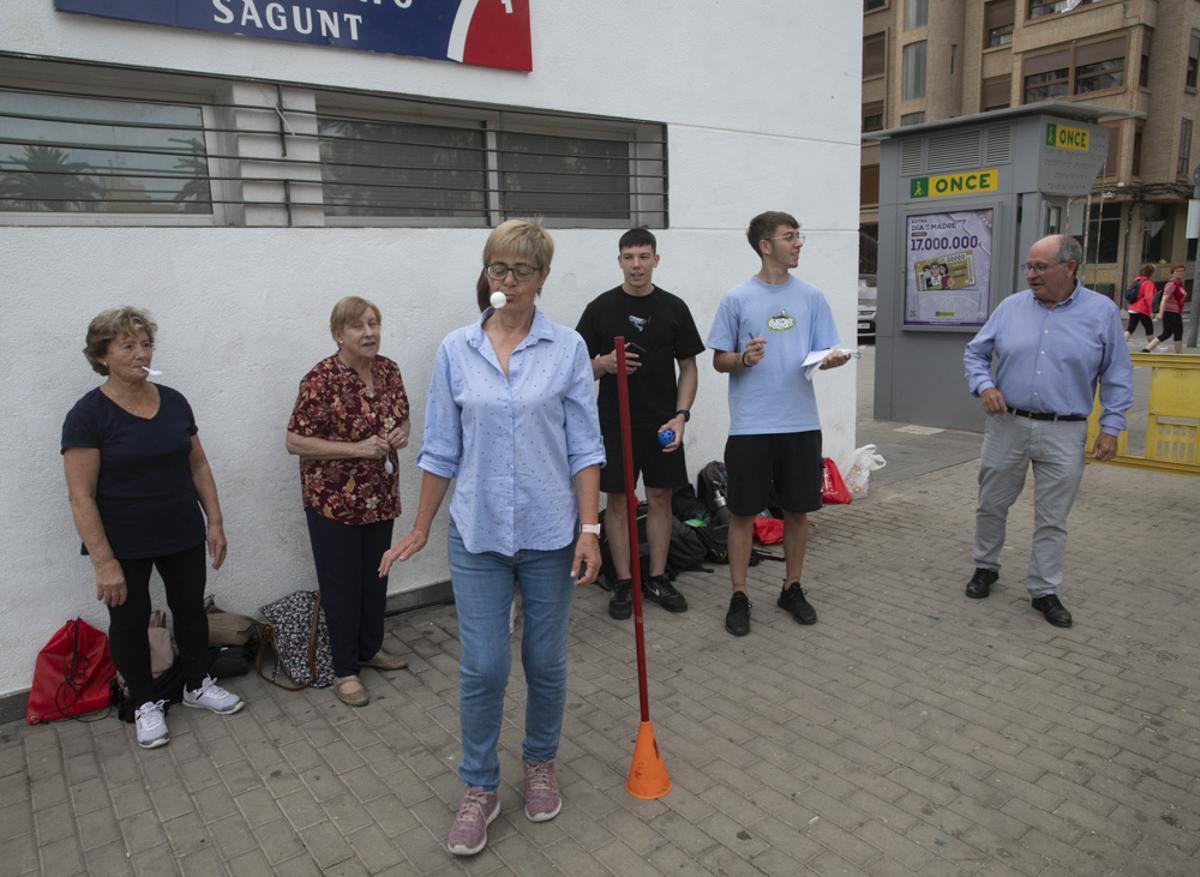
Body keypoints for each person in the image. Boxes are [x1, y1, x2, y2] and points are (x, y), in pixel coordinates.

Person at [378, 219, 604, 857]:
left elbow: (586, 448)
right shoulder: (457, 349)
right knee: (483, 665)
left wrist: (590, 529)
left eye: (522, 270)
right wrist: (419, 526)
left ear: (542, 277)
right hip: (476, 533)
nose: (508, 280)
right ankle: (479, 785)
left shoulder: (567, 348)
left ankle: (539, 762)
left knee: (544, 661)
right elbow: (440, 448)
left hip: (550, 531)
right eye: (498, 268)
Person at [62, 307, 242, 750]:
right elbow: (81, 496)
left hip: (181, 528)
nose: (141, 354)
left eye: (146, 344)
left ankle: (197, 684)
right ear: (102, 356)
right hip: (124, 541)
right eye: (128, 346)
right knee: (129, 621)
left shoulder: (174, 401)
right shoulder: (87, 415)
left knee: (190, 608)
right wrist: (104, 562)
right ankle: (144, 701)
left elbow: (198, 465)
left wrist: (215, 521)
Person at [963, 235, 1133, 627]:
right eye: (1029, 266)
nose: (1032, 275)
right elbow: (975, 353)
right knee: (991, 503)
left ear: (1070, 267)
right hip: (1008, 425)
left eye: (1041, 267)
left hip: (1065, 431)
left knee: (1052, 517)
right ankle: (985, 566)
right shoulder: (1011, 308)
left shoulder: (1101, 313)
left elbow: (1117, 375)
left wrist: (1110, 427)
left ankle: (1044, 589)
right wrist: (984, 386)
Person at [707, 211, 851, 637]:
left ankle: (792, 587)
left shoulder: (812, 297)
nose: (798, 243)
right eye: (790, 237)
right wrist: (743, 359)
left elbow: (821, 352)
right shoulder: (737, 298)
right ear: (765, 245)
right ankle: (739, 594)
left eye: (798, 236)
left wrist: (831, 360)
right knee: (742, 513)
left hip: (800, 423)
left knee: (797, 511)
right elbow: (719, 360)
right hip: (750, 426)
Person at [286, 297, 411, 707]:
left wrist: (402, 433)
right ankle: (345, 670)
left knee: (376, 577)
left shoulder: (389, 370)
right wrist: (356, 449)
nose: (369, 332)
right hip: (334, 502)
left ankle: (369, 649)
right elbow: (294, 441)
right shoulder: (321, 378)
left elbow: (403, 417)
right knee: (341, 585)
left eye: (374, 323)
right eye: (358, 326)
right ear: (338, 334)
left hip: (380, 496)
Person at [575, 227, 705, 619]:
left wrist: (681, 416)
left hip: (662, 423)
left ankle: (658, 577)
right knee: (618, 501)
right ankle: (624, 583)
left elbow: (689, 367)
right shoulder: (600, 308)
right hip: (616, 423)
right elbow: (573, 369)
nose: (636, 265)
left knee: (662, 498)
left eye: (644, 256)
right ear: (619, 261)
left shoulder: (674, 307)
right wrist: (603, 364)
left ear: (655, 260)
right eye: (629, 257)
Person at [1145, 264, 1188, 354]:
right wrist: (1160, 313)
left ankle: (1146, 350)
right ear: (1173, 273)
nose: (1180, 273)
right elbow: (1164, 299)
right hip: (1171, 312)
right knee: (1178, 332)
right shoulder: (1171, 284)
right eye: (1177, 271)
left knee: (1167, 333)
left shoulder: (1179, 284)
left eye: (1182, 271)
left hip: (1175, 311)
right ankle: (1179, 354)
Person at [1123, 263, 1157, 342]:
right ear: (1151, 273)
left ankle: (1121, 343)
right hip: (1142, 309)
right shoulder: (1148, 283)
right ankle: (1152, 346)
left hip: (1132, 308)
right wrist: (1152, 310)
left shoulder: (1137, 281)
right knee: (1149, 328)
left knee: (1130, 328)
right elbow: (1149, 298)